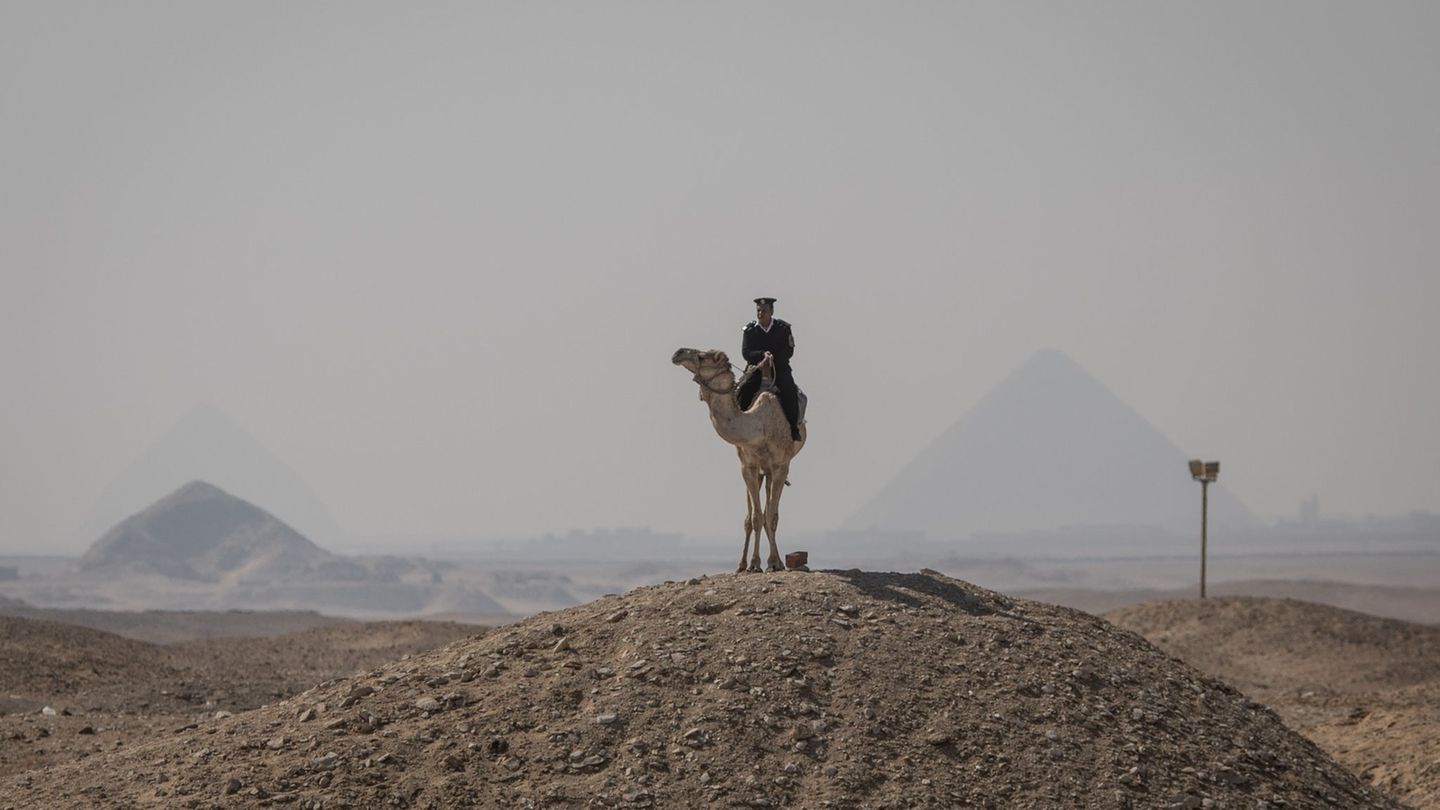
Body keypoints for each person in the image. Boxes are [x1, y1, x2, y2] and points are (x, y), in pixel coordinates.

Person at [737, 296, 803, 441]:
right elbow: (746, 352)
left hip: (779, 369)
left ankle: (793, 428)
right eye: (759, 311)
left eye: (764, 311)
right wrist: (762, 355)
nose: (761, 314)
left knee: (789, 391)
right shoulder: (750, 330)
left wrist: (772, 358)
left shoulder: (783, 328)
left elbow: (789, 351)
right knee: (743, 391)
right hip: (757, 370)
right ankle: (739, 424)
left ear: (771, 311)